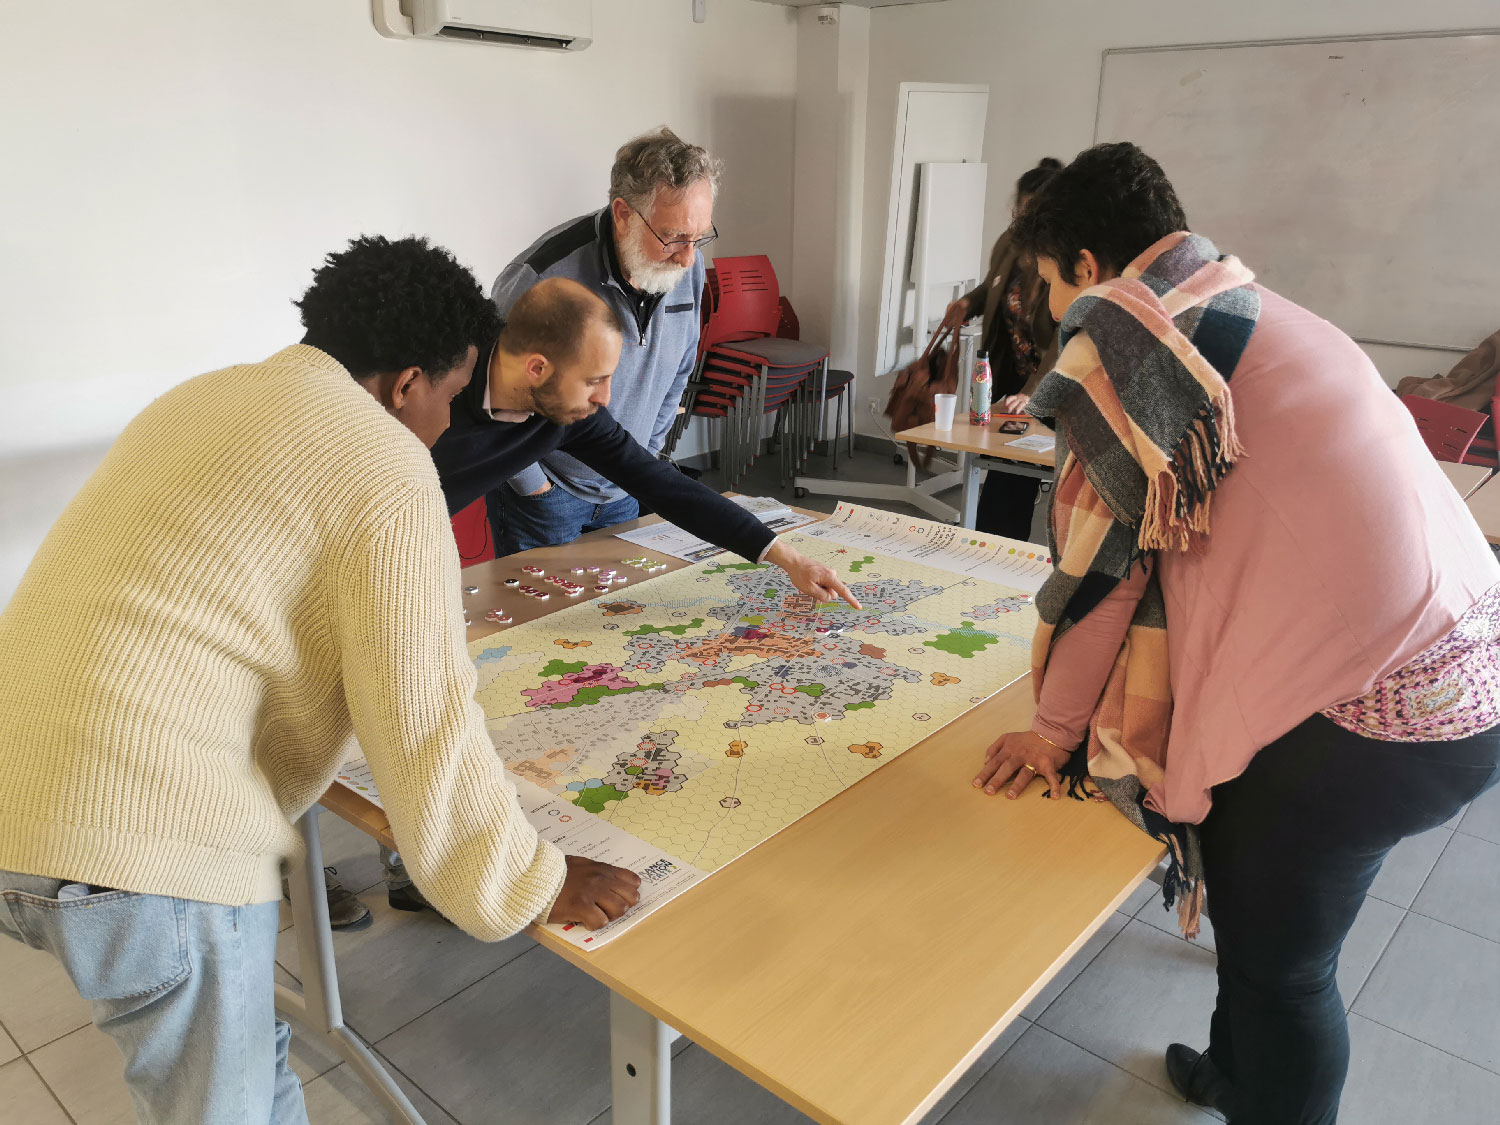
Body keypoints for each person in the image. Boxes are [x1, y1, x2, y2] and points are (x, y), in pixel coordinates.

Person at [0, 235, 643, 1124]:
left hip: (23, 794)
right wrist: (531, 879)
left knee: (249, 1069)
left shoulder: (205, 393)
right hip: (142, 836)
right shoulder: (386, 462)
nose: (445, 425)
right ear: (407, 384)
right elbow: (425, 723)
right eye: (448, 397)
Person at [970, 143, 1500, 1124]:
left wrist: (1050, 733)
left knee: (1286, 970)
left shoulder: (1129, 346)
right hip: (1466, 668)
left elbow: (1101, 582)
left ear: (1086, 265)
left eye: (1047, 282)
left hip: (1378, 717)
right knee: (1261, 917)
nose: (1050, 309)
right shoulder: (1248, 305)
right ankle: (1233, 1074)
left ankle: (1262, 1086)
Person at [430, 276, 856, 606]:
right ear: (537, 369)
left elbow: (662, 484)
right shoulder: (430, 397)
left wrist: (790, 559)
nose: (605, 398)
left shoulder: (573, 416)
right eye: (594, 380)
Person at [486, 126, 718, 555]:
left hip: (626, 484)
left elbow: (680, 367)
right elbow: (492, 395)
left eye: (699, 237)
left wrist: (642, 463)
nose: (689, 257)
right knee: (539, 601)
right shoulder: (540, 277)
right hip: (547, 494)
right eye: (673, 238)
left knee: (621, 599)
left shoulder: (688, 264)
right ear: (623, 214)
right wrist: (534, 487)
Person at [944, 156, 1062, 542]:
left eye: (1033, 212)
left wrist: (1032, 393)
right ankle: (992, 546)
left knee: (1014, 477)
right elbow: (992, 288)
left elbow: (1066, 336)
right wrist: (968, 304)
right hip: (1008, 374)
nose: (1023, 219)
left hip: (1048, 385)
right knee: (1001, 468)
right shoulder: (1010, 243)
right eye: (1021, 210)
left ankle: (997, 549)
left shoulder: (1067, 259)